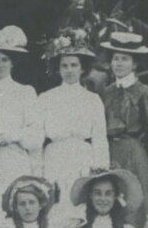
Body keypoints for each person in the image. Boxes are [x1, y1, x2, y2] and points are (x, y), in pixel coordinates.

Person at [36, 38, 108, 208]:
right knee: (55, 203)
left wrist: (100, 169)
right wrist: (37, 171)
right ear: (58, 69)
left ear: (82, 68)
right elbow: (38, 138)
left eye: (74, 65)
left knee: (80, 204)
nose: (69, 70)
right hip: (54, 157)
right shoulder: (46, 98)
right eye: (64, 66)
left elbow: (100, 137)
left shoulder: (92, 99)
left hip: (82, 157)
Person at [0, 27, 42, 204]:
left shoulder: (25, 92)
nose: (0, 64)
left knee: (14, 202)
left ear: (12, 63)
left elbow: (36, 132)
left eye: (4, 60)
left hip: (15, 157)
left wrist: (12, 136)